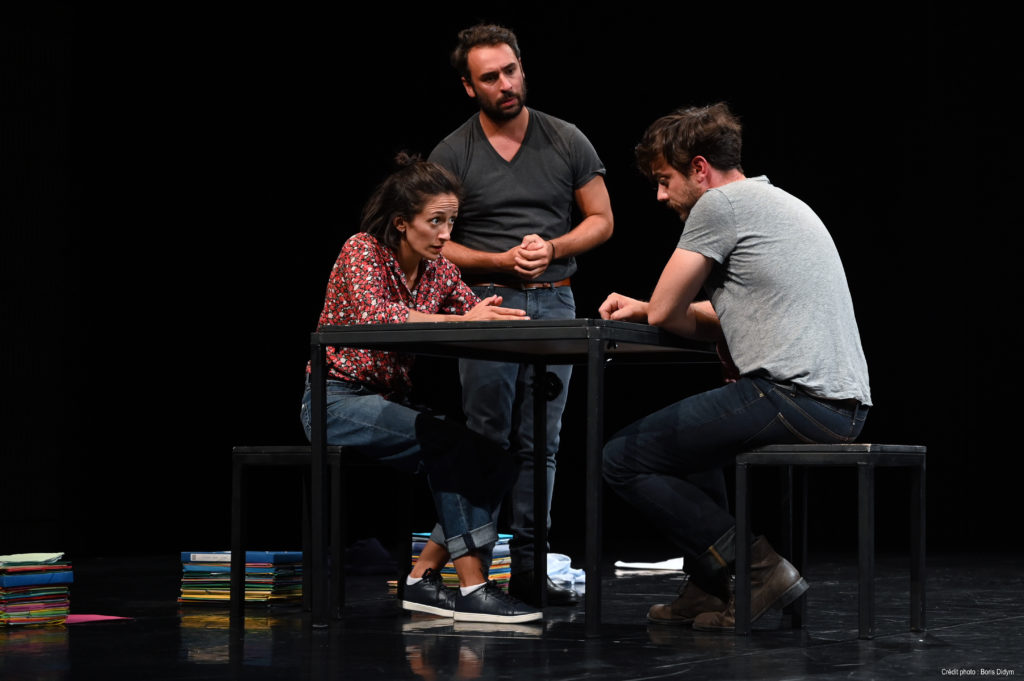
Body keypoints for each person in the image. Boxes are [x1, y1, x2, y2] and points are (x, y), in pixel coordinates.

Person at [598, 102, 871, 631]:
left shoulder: (719, 205)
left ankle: (757, 569)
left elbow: (668, 312)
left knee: (622, 458)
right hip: (840, 405)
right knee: (691, 450)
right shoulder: (776, 201)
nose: (660, 196)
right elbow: (730, 312)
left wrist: (651, 309)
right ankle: (709, 584)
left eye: (665, 180)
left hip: (794, 396)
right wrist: (650, 307)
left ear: (700, 169)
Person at [299, 153, 541, 624]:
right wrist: (462, 321)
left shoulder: (438, 270)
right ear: (401, 222)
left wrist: (509, 324)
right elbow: (376, 316)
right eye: (435, 221)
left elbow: (474, 316)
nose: (446, 234)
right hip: (334, 401)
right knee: (447, 445)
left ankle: (421, 577)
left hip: (387, 403)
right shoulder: (363, 251)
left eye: (451, 222)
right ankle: (473, 587)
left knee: (497, 462)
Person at [428, 23, 614, 606]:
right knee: (485, 439)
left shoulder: (565, 138)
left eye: (511, 71)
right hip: (487, 304)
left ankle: (531, 568)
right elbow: (436, 240)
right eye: (490, 77)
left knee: (543, 444)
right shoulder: (453, 152)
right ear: (469, 87)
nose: (505, 84)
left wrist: (553, 247)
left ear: (522, 68)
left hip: (555, 300)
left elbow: (601, 219)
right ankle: (476, 576)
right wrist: (497, 260)